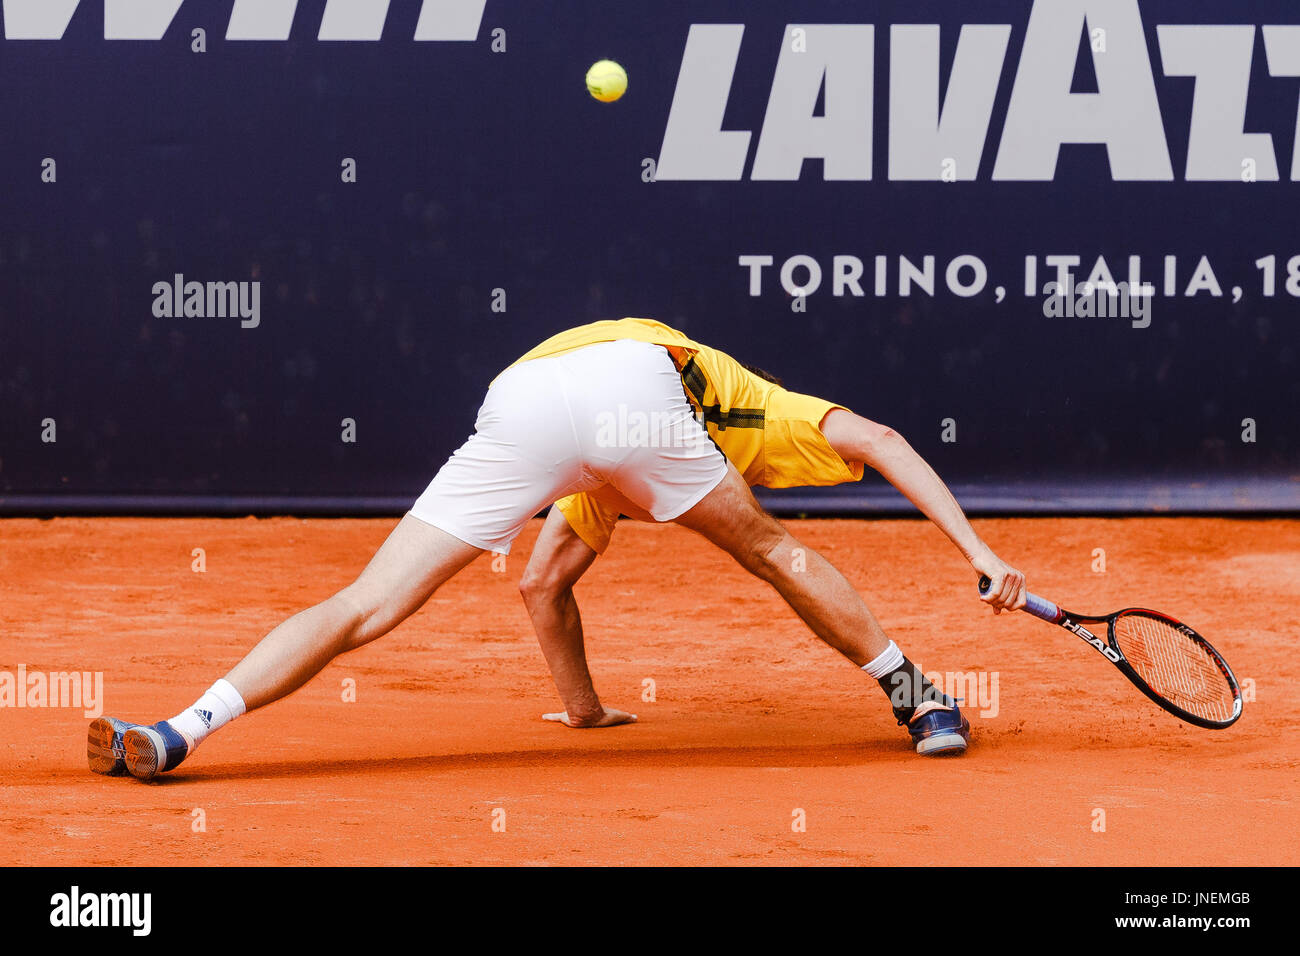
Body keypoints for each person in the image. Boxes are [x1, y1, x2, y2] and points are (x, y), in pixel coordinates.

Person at [88, 318, 1026, 780]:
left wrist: (582, 710)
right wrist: (978, 551)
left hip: (527, 401)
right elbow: (888, 441)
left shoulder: (607, 475)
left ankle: (178, 733)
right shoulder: (755, 403)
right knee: (775, 553)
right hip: (635, 396)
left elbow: (543, 585)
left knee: (366, 603)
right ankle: (923, 700)